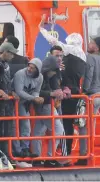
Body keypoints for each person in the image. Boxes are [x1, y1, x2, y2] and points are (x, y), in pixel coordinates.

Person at [39, 14, 86, 155]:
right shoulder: (82, 55)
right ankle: (67, 151)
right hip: (75, 92)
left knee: (65, 123)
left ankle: (65, 153)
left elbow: (54, 42)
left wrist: (41, 28)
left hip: (67, 94)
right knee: (69, 123)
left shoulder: (73, 51)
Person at [31, 56, 66, 167]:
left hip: (43, 105)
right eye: (53, 71)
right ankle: (50, 158)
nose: (54, 73)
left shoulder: (42, 75)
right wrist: (53, 93)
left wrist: (57, 92)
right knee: (58, 129)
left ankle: (37, 158)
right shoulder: (42, 76)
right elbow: (37, 91)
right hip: (46, 105)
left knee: (38, 131)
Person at [12, 58, 44, 158]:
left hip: (25, 102)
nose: (29, 69)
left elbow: (36, 91)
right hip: (13, 101)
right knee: (14, 125)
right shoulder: (20, 74)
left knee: (26, 124)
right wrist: (34, 98)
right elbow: (19, 91)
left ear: (37, 70)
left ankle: (25, 147)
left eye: (32, 68)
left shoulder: (40, 77)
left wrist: (35, 97)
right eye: (29, 66)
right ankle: (16, 149)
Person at [77, 37, 100, 165]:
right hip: (99, 95)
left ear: (96, 47)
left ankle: (84, 154)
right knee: (92, 124)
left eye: (91, 43)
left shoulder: (91, 58)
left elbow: (89, 75)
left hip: (91, 95)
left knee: (83, 125)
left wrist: (84, 91)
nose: (89, 44)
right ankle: (90, 152)